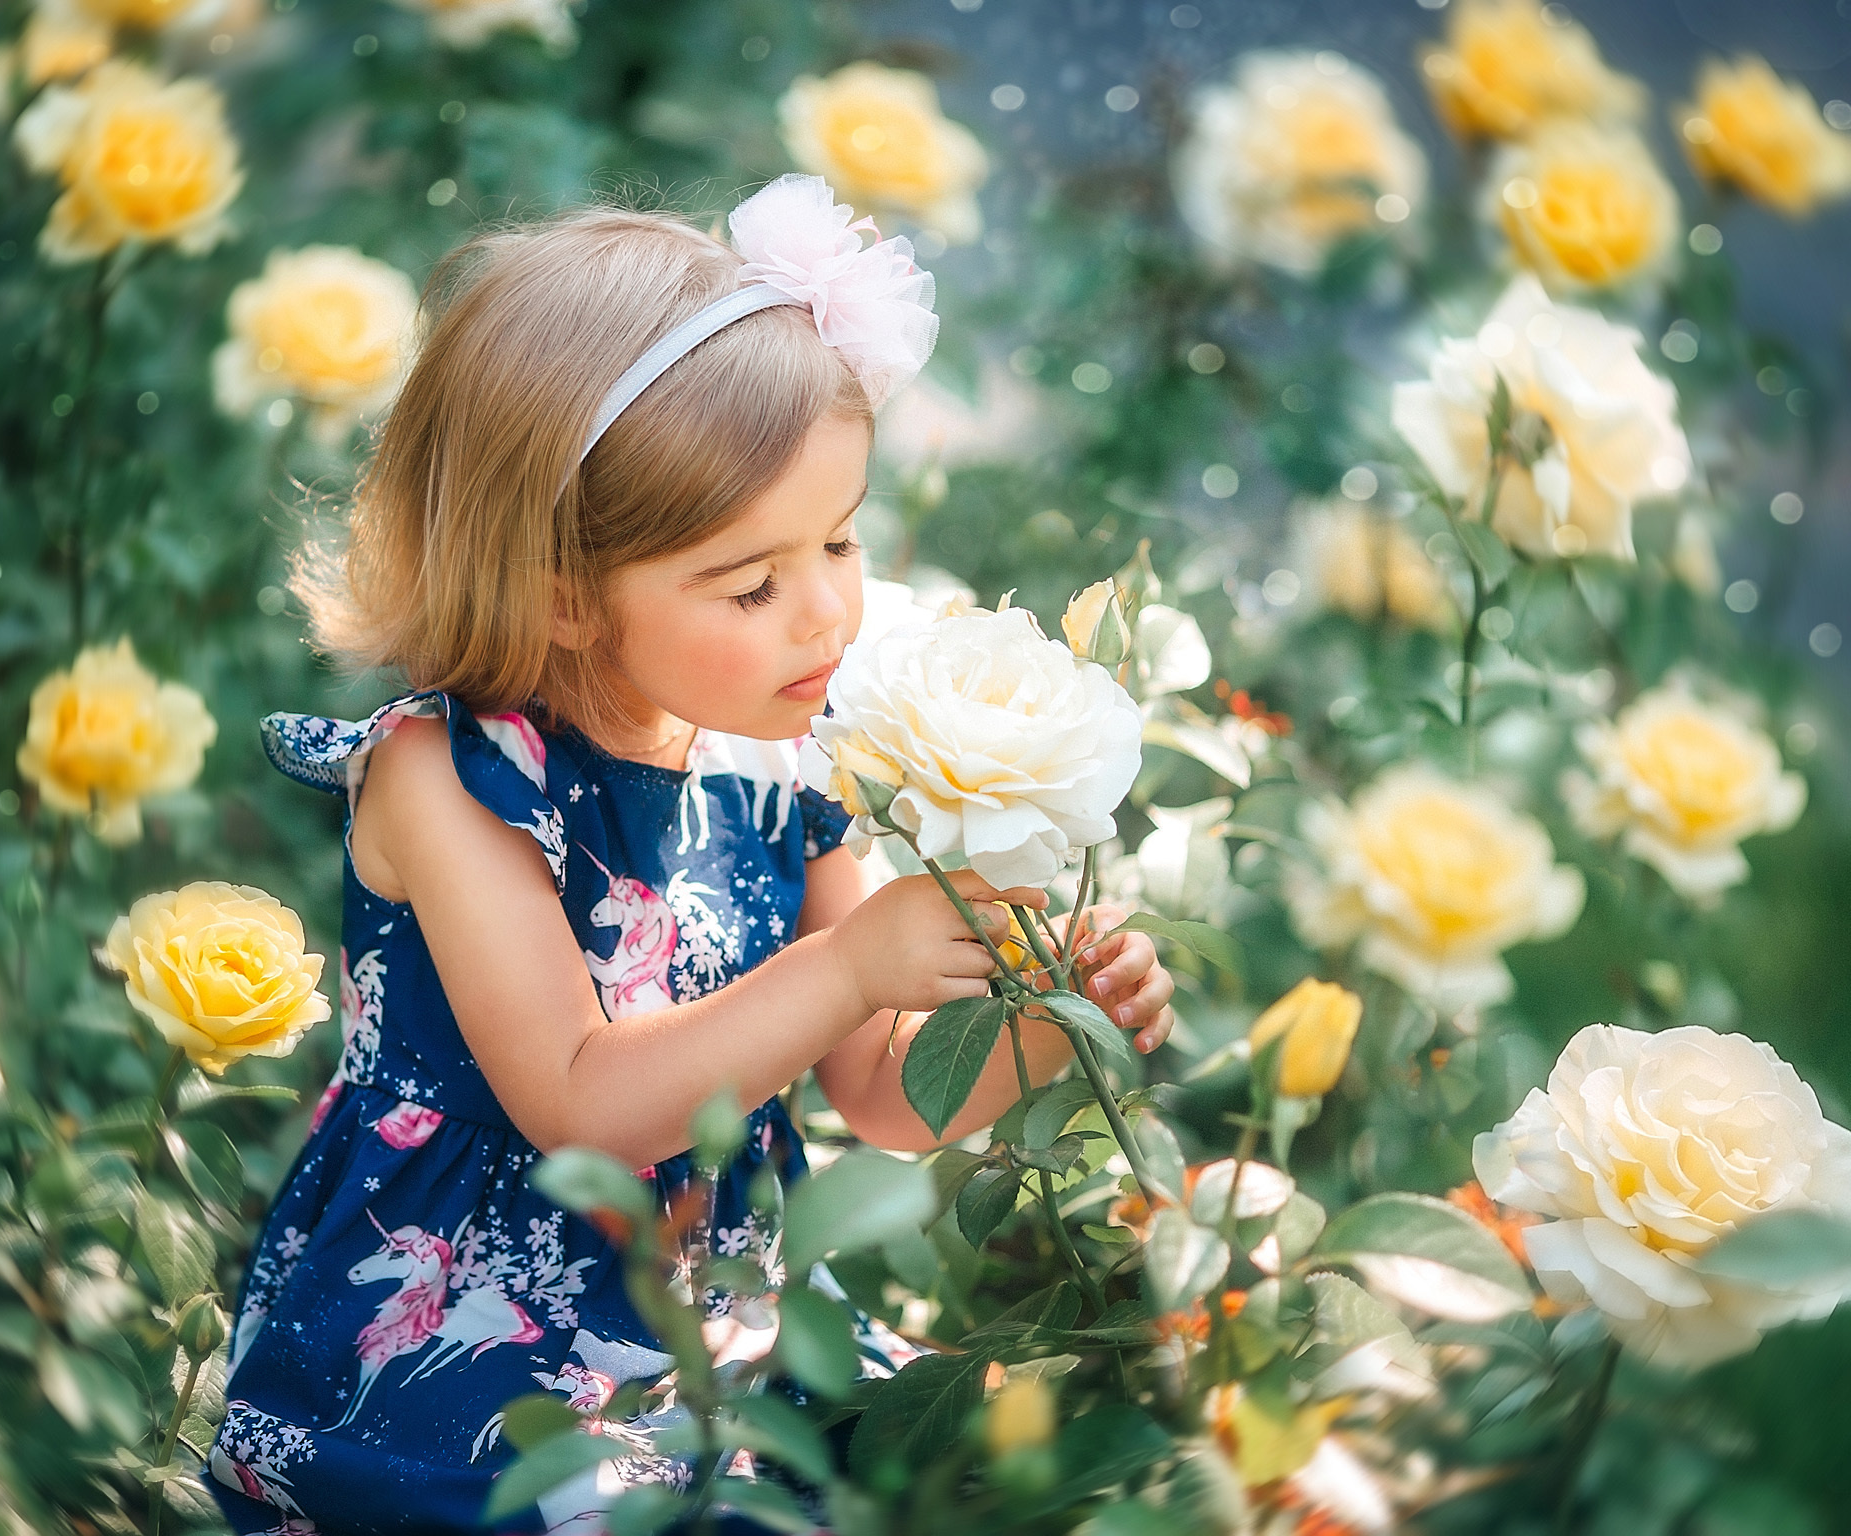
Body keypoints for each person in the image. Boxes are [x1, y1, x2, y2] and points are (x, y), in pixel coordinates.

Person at [209, 174, 1177, 1535]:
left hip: (724, 1320)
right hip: (478, 1339)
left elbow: (889, 1095)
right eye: (751, 583)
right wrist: (851, 963)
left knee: (966, 1469)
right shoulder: (455, 780)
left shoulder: (783, 758)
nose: (829, 611)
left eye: (840, 539)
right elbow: (583, 1107)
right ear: (558, 589)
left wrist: (1049, 1025)